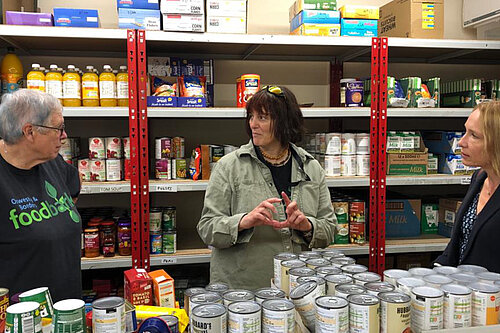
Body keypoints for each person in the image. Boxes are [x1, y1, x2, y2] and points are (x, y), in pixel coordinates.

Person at [197, 85, 336, 289]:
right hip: (242, 293)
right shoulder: (229, 167)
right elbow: (207, 228)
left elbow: (330, 229)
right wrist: (244, 221)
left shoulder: (311, 167)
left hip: (296, 290)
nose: (253, 124)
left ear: (285, 122)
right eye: (251, 116)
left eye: (262, 118)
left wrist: (307, 226)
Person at [0, 89, 82, 301]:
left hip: (66, 307)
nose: (64, 136)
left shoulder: (51, 161)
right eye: (58, 128)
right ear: (29, 132)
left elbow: (74, 185)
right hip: (21, 317)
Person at [435, 101, 500, 272]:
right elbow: (461, 242)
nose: (461, 142)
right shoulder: (479, 178)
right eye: (465, 132)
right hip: (464, 291)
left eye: (474, 136)